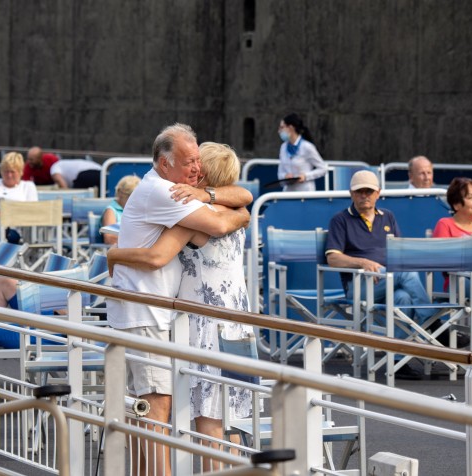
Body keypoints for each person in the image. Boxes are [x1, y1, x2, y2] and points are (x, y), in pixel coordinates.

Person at [106, 124, 251, 476]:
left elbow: (239, 203)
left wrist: (115, 255)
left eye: (199, 162)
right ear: (164, 162)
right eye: (189, 161)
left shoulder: (184, 199)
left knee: (163, 407)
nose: (195, 169)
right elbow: (233, 212)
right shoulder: (171, 196)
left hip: (191, 322)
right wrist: (236, 210)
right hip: (173, 315)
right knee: (168, 407)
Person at [325, 170, 437, 380]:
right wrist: (363, 262)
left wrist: (386, 269)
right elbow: (333, 259)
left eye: (369, 191)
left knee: (403, 298)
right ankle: (431, 322)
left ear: (378, 193)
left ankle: (397, 362)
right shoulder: (340, 220)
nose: (364, 195)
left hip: (388, 281)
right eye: (360, 192)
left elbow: (399, 252)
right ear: (351, 194)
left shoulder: (388, 217)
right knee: (406, 273)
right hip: (359, 286)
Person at [277, 113, 327, 192]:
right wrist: (285, 176)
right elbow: (280, 173)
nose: (279, 131)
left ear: (291, 127)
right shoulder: (283, 147)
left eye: (282, 127)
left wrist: (305, 176)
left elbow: (323, 168)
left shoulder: (307, 147)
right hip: (288, 192)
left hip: (305, 192)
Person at [99, 175, 141, 245]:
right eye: (132, 196)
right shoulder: (111, 211)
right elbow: (109, 238)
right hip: (120, 252)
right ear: (120, 194)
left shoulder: (136, 211)